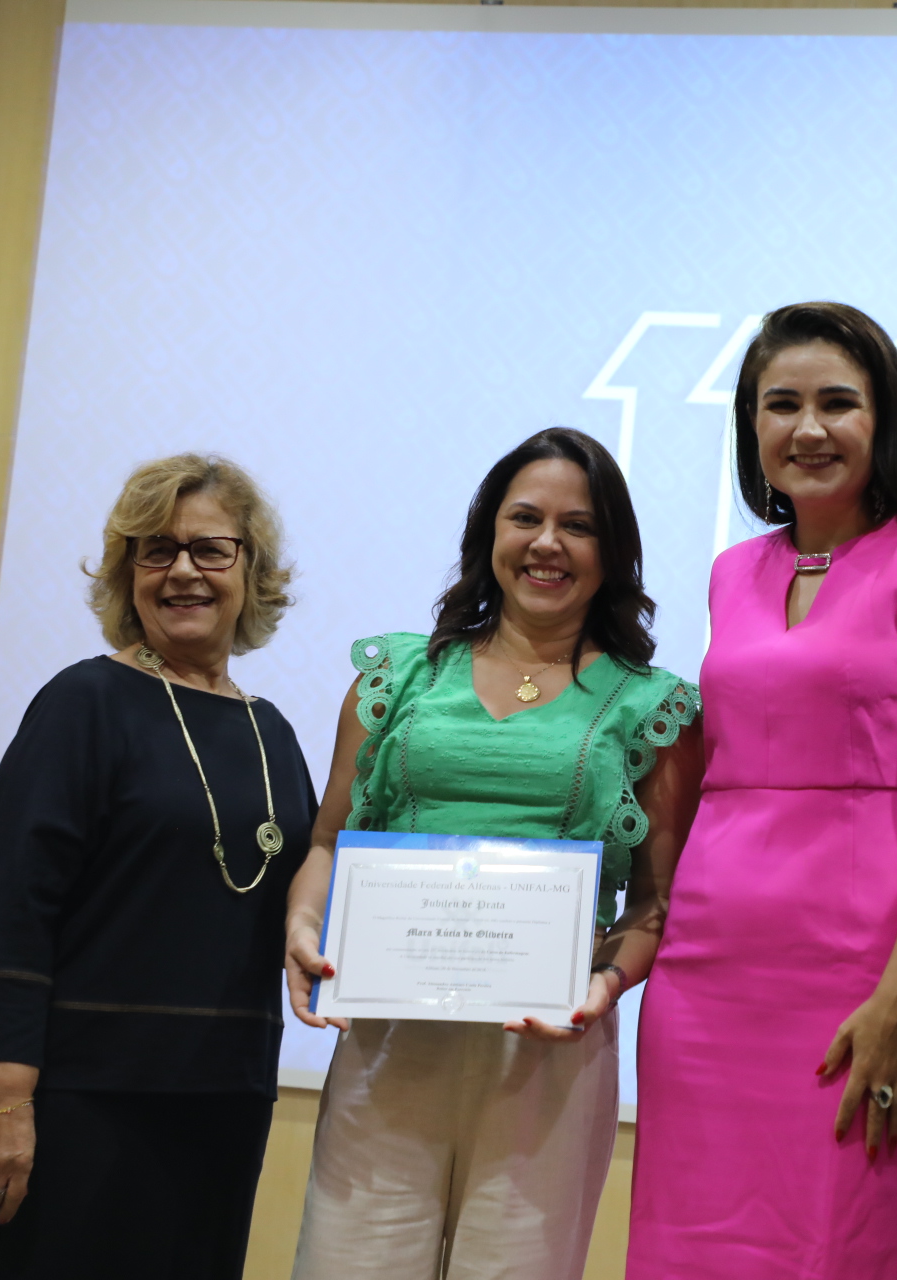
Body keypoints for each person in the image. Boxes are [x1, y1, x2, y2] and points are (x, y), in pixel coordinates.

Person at [626, 302, 897, 1279]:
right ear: (751, 427)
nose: (809, 428)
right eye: (782, 405)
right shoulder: (732, 572)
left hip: (863, 986)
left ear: (886, 419)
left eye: (837, 403)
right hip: (704, 987)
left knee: (841, 1251)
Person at [282, 426, 702, 1280]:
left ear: (613, 552)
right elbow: (328, 840)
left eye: (578, 526)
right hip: (389, 1032)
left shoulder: (651, 706)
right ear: (490, 533)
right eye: (526, 518)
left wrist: (604, 986)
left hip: (548, 1049)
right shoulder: (398, 676)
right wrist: (302, 923)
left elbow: (657, 903)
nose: (548, 543)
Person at [0, 454, 314, 1279]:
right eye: (156, 550)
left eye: (210, 549)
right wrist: (1, 1096)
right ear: (127, 574)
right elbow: (14, 908)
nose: (182, 570)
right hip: (76, 1099)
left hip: (221, 1103)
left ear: (250, 569)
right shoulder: (83, 703)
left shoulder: (274, 734)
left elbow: (300, 901)